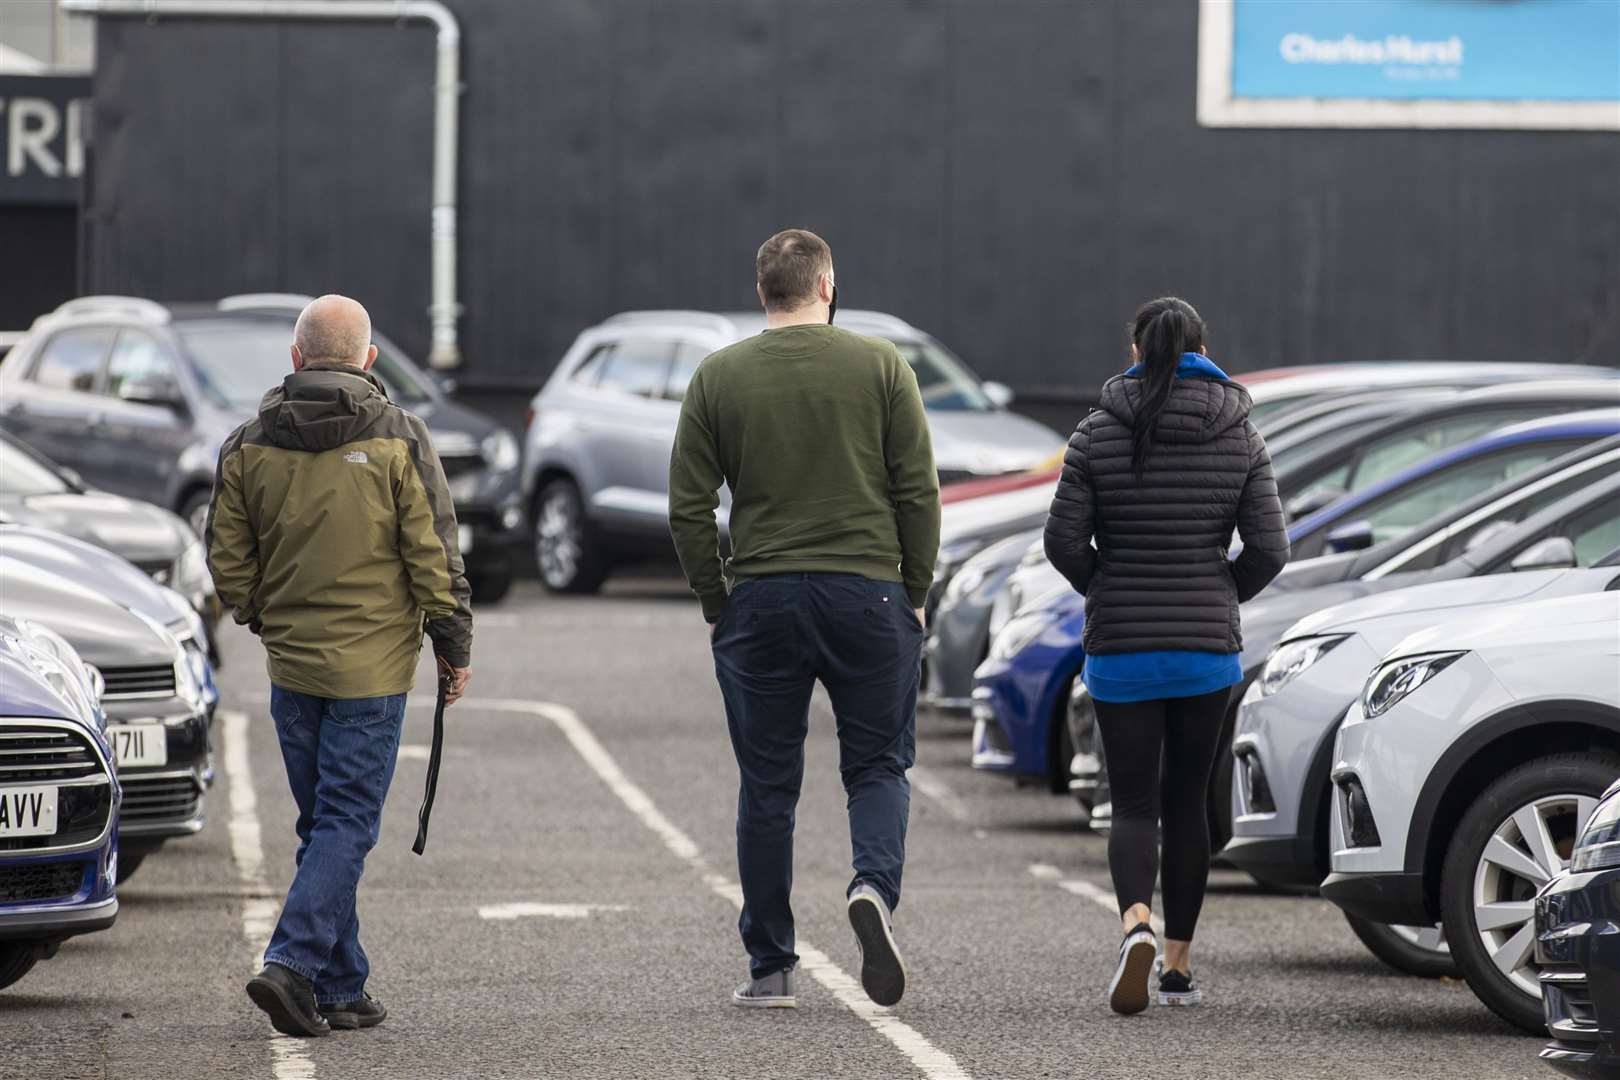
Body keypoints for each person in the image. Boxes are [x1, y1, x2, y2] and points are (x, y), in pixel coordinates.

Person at [668, 228, 942, 1009]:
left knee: (767, 784)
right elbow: (917, 490)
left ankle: (771, 967)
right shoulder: (882, 365)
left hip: (763, 597)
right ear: (827, 286)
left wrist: (716, 599)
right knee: (878, 765)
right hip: (869, 594)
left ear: (764, 293)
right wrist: (915, 589)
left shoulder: (719, 376)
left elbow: (688, 507)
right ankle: (873, 890)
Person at [206, 294, 473, 1037]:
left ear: (295, 359)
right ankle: (291, 964)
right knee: (346, 822)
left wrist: (263, 615)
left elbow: (227, 560)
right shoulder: (400, 436)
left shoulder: (247, 444)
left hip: (293, 669)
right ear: (368, 359)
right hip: (374, 671)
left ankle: (342, 986)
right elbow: (434, 555)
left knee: (324, 824)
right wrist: (454, 647)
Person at [1043, 297, 1287, 1015]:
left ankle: (1134, 924)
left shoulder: (1095, 431)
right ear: (1202, 347)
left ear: (1135, 349)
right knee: (1187, 806)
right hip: (1205, 655)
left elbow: (1062, 542)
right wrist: (1221, 595)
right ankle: (1177, 967)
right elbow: (1271, 548)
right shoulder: (1239, 433)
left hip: (1121, 649)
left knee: (1132, 802)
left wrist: (1106, 587)